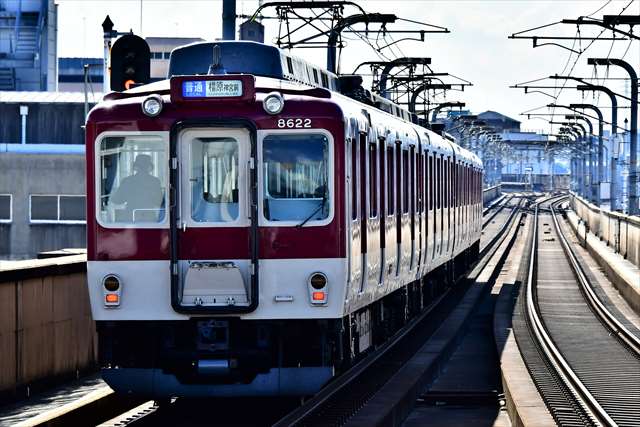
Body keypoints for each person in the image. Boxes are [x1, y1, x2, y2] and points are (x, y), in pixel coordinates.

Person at [110, 154, 163, 222]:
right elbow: (159, 201)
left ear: (136, 167)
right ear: (149, 167)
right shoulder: (155, 181)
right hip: (148, 217)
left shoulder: (127, 181)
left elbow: (117, 200)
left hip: (130, 216)